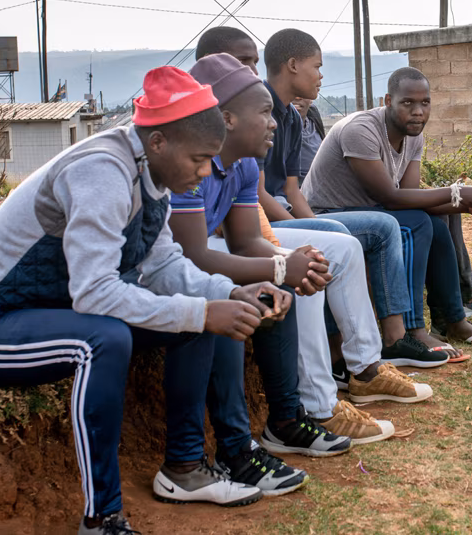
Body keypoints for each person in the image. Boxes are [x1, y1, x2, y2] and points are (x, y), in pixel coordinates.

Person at [0, 66, 296, 534]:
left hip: (51, 311)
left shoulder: (156, 174)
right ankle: (101, 516)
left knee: (193, 316)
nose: (206, 171)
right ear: (159, 142)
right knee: (104, 339)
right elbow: (94, 292)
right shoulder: (101, 171)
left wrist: (228, 293)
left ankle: (184, 468)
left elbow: (164, 264)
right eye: (199, 159)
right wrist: (203, 310)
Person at [178, 53, 433, 441]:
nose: (273, 123)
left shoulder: (245, 162)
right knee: (304, 267)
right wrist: (282, 267)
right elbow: (193, 252)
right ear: (226, 118)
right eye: (264, 113)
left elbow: (247, 239)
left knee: (336, 250)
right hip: (179, 255)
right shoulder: (188, 160)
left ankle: (365, 369)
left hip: (216, 242)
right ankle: (319, 405)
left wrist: (290, 260)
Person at [196, 26, 450, 368]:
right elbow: (254, 199)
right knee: (370, 231)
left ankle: (388, 343)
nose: (320, 75)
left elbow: (290, 189)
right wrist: (312, 231)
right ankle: (369, 342)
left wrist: (314, 227)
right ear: (293, 65)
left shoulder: (287, 118)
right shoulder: (247, 116)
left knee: (355, 233)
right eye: (316, 66)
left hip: (275, 215)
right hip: (257, 221)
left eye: (253, 63)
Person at [303, 67, 472, 354]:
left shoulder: (413, 136)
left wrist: (465, 204)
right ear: (388, 100)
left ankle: (451, 318)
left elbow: (412, 197)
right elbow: (390, 198)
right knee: (417, 224)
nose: (418, 111)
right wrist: (457, 192)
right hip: (327, 216)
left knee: (435, 219)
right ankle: (412, 329)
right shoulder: (360, 130)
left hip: (369, 211)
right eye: (407, 103)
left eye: (425, 103)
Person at [292, 96, 325, 183]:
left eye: (302, 92)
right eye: (292, 90)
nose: (297, 97)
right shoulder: (275, 128)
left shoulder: (314, 119)